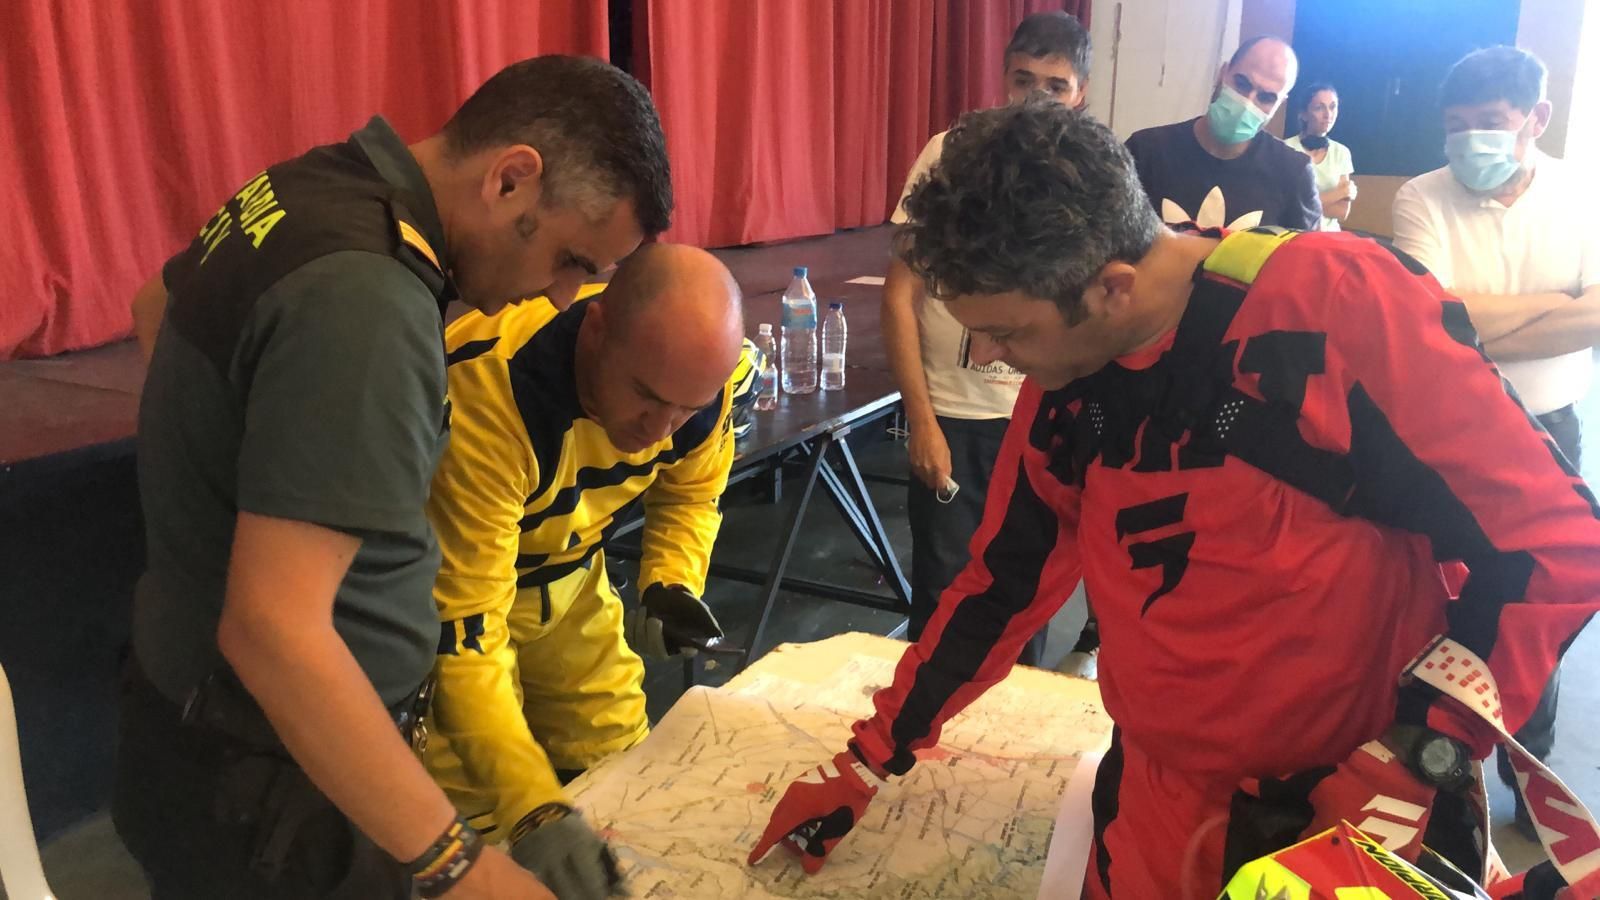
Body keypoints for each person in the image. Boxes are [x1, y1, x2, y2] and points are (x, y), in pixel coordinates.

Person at [748, 101, 1600, 897]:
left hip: (1357, 813)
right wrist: (868, 757)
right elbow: (998, 587)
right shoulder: (1068, 389)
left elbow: (1554, 542)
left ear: (1113, 285)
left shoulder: (1332, 306)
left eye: (1010, 333)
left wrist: (1421, 757)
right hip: (1155, 804)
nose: (993, 360)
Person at [115, 55, 671, 900]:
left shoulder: (311, 189)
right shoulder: (370, 301)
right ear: (512, 180)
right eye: (570, 259)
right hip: (272, 789)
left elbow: (154, 305)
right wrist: (461, 867)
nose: (562, 298)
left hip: (202, 736)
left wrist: (238, 478)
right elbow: (273, 632)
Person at [419, 243, 745, 899]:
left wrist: (669, 583)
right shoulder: (489, 390)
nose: (661, 431)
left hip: (572, 588)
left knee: (625, 774)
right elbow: (468, 633)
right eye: (646, 398)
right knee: (476, 820)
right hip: (452, 600)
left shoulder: (697, 382)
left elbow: (689, 493)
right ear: (596, 328)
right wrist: (534, 808)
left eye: (686, 410)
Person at [1392, 45, 1600, 840]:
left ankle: (1525, 761)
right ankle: (1426, 749)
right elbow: (1428, 325)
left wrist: (1477, 320)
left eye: (1489, 124)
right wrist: (1559, 308)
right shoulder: (1421, 195)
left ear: (1535, 120)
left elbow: (1467, 319)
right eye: (1456, 127)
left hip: (1548, 432)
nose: (1469, 140)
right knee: (1432, 590)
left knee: (1536, 604)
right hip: (1441, 432)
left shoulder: (1582, 197)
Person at [884, 10, 1090, 667]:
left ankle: (1008, 759)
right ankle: (918, 751)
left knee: (1022, 603)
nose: (1036, 97)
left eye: (1055, 85)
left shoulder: (1086, 176)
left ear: (1079, 93)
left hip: (1036, 420)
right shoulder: (950, 153)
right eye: (1023, 79)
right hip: (954, 415)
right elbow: (899, 293)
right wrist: (920, 421)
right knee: (944, 603)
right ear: (1001, 79)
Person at [1126, 36, 1321, 231]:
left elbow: (1308, 258)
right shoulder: (1145, 152)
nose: (1247, 102)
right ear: (1223, 73)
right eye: (1242, 84)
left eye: (1266, 98)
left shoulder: (1294, 174)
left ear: (1279, 105)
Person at [1283, 82, 1356, 231]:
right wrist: (1339, 193)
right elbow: (1286, 208)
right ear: (1303, 114)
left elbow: (1342, 212)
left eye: (1332, 106)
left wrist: (1304, 205)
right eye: (1319, 107)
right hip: (1293, 235)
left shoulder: (1342, 152)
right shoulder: (1285, 148)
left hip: (1330, 238)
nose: (1328, 114)